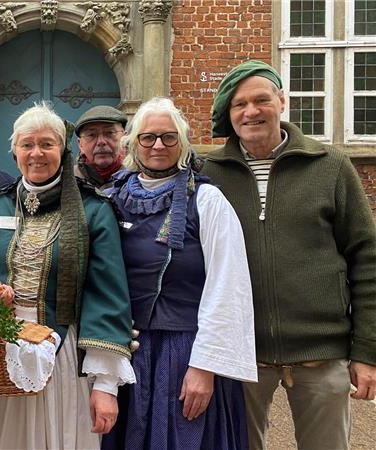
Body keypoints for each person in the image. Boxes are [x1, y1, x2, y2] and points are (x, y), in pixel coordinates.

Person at [202, 60, 376, 450]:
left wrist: (367, 351)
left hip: (322, 352)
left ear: (282, 101)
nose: (251, 111)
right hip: (241, 355)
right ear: (229, 115)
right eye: (239, 104)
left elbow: (367, 261)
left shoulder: (330, 167)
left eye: (261, 99)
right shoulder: (208, 172)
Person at [0, 102, 134, 449]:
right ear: (14, 152)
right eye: (27, 144)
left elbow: (106, 295)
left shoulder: (92, 210)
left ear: (63, 151)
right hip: (0, 351)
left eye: (47, 144)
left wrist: (105, 386)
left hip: (60, 353)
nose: (36, 153)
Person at [104, 97, 257, 449]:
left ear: (183, 143)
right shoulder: (111, 199)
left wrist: (205, 367)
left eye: (169, 137)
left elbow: (228, 285)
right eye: (149, 137)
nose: (158, 145)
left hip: (185, 354)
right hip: (126, 352)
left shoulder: (207, 200)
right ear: (133, 144)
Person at [74, 105, 128, 189]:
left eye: (110, 133)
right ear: (80, 144)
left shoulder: (141, 179)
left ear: (124, 138)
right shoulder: (68, 180)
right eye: (91, 135)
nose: (101, 142)